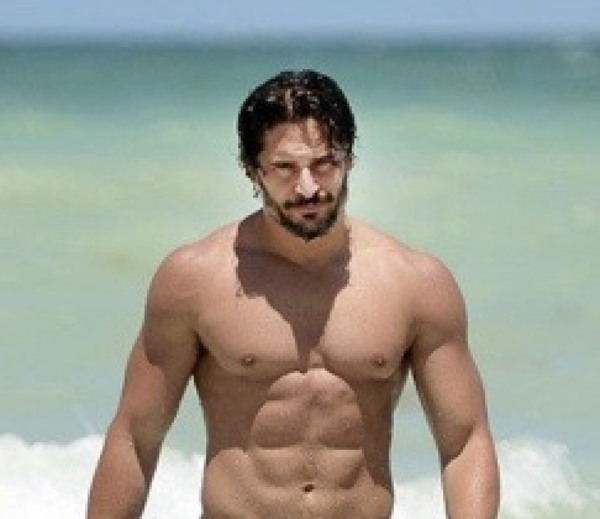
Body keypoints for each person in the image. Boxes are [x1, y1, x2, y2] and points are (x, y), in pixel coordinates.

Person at [87, 69, 500, 518]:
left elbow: (465, 441)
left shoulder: (416, 282)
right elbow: (135, 436)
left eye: (323, 163)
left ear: (349, 160)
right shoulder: (194, 278)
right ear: (252, 171)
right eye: (285, 168)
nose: (308, 188)